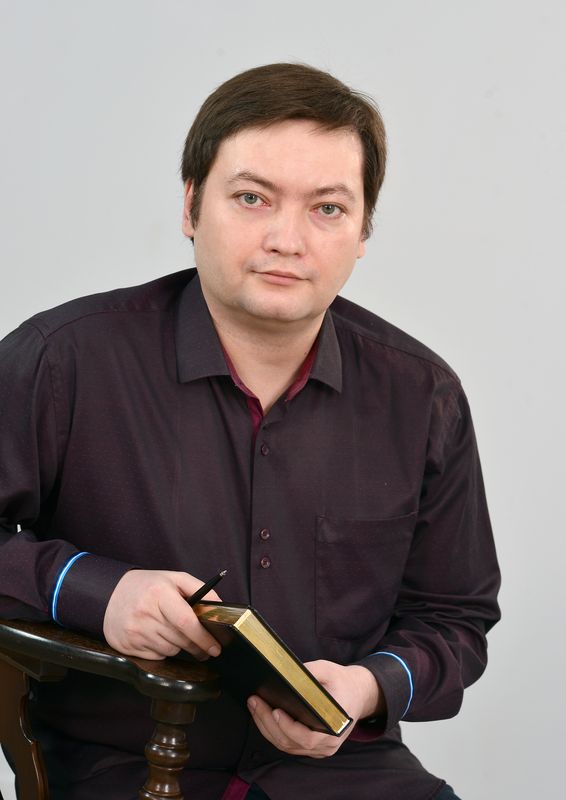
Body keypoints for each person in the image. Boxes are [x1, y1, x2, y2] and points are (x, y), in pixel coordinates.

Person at [0, 63, 500, 800]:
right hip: (123, 766)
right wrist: (94, 591)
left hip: (341, 774)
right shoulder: (61, 359)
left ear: (363, 232)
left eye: (328, 208)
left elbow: (457, 616)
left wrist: (366, 688)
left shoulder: (423, 396)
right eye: (251, 198)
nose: (286, 239)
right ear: (191, 206)